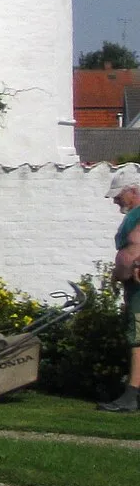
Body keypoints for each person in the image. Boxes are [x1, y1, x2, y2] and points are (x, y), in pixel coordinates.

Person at [100, 174, 140, 414]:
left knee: (138, 338)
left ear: (133, 190)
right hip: (132, 285)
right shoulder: (133, 215)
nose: (115, 200)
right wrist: (120, 272)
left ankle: (132, 394)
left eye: (118, 195)